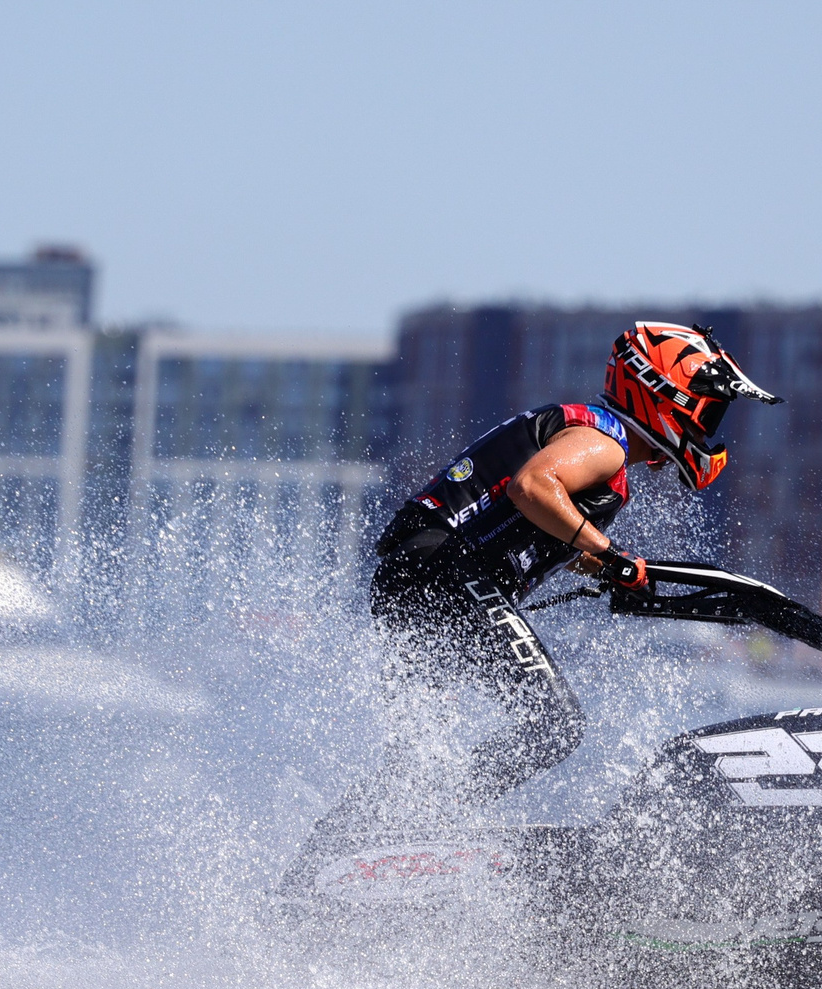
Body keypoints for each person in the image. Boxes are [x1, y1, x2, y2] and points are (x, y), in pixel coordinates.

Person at [322, 321, 777, 833]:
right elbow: (533, 486)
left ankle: (353, 833)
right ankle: (422, 821)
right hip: (446, 573)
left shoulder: (599, 442)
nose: (710, 429)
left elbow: (533, 520)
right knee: (552, 725)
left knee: (420, 751)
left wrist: (601, 563)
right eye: (709, 411)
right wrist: (612, 556)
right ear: (665, 394)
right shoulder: (604, 440)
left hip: (419, 577)